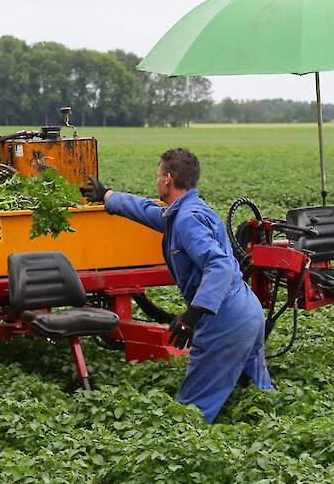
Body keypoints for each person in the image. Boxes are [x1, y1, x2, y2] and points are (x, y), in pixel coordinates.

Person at [83, 148, 272, 423]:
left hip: (226, 316)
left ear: (168, 179)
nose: (156, 179)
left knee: (190, 413)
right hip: (248, 310)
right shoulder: (187, 210)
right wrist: (108, 196)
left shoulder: (186, 219)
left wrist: (191, 316)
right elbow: (149, 211)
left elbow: (218, 266)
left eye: (158, 174)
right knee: (258, 394)